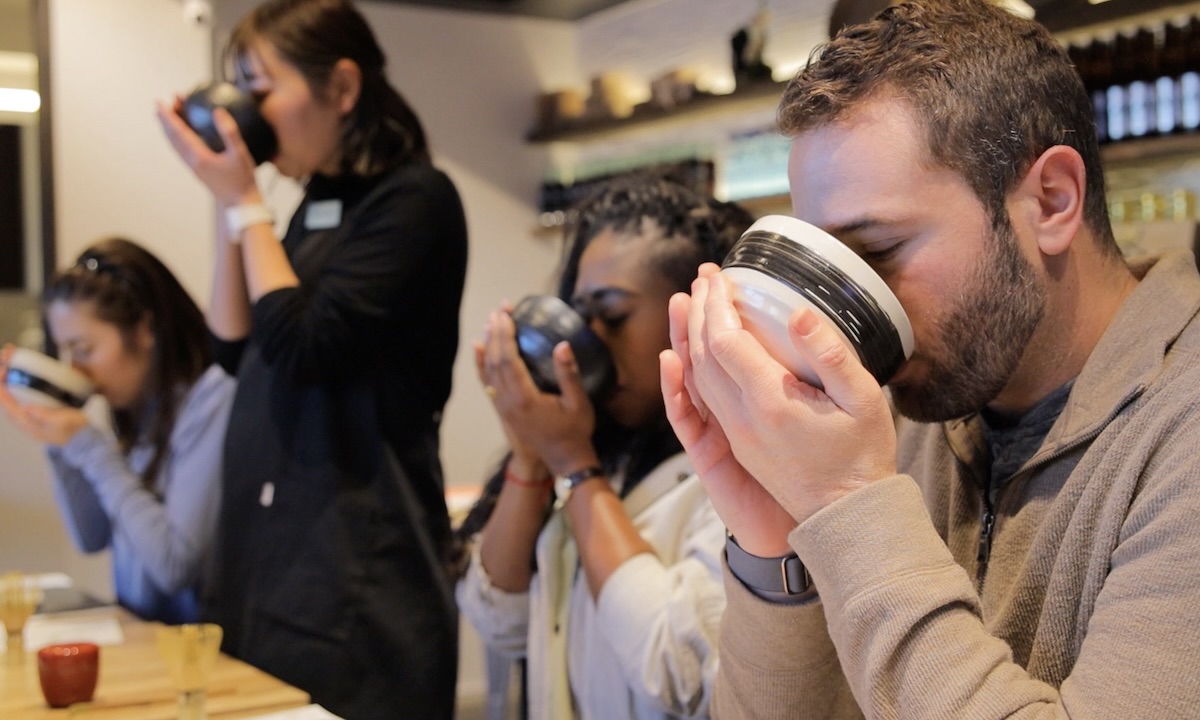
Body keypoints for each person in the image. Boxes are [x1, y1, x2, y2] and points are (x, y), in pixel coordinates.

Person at [660, 0, 1200, 717]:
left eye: (879, 251)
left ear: (1052, 199)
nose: (843, 310)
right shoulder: (910, 406)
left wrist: (850, 501)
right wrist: (773, 544)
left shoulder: (1179, 430)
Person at [155, 0, 467, 717]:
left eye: (259, 88)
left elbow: (303, 348)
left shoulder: (415, 199)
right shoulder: (315, 204)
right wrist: (227, 199)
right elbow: (234, 345)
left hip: (359, 570)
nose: (245, 110)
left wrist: (246, 205)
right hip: (274, 557)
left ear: (344, 89)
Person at [456, 175, 754, 719]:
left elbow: (680, 673)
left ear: (694, 315)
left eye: (612, 316)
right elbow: (499, 620)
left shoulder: (745, 471)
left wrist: (575, 467)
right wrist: (532, 454)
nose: (583, 340)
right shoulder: (601, 448)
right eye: (577, 312)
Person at [0, 237, 234, 625]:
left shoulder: (211, 400)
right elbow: (91, 536)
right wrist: (58, 442)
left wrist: (89, 448)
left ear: (144, 330)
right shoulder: (136, 409)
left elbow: (174, 567)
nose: (76, 370)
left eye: (85, 349)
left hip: (202, 656)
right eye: (66, 352)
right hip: (143, 638)